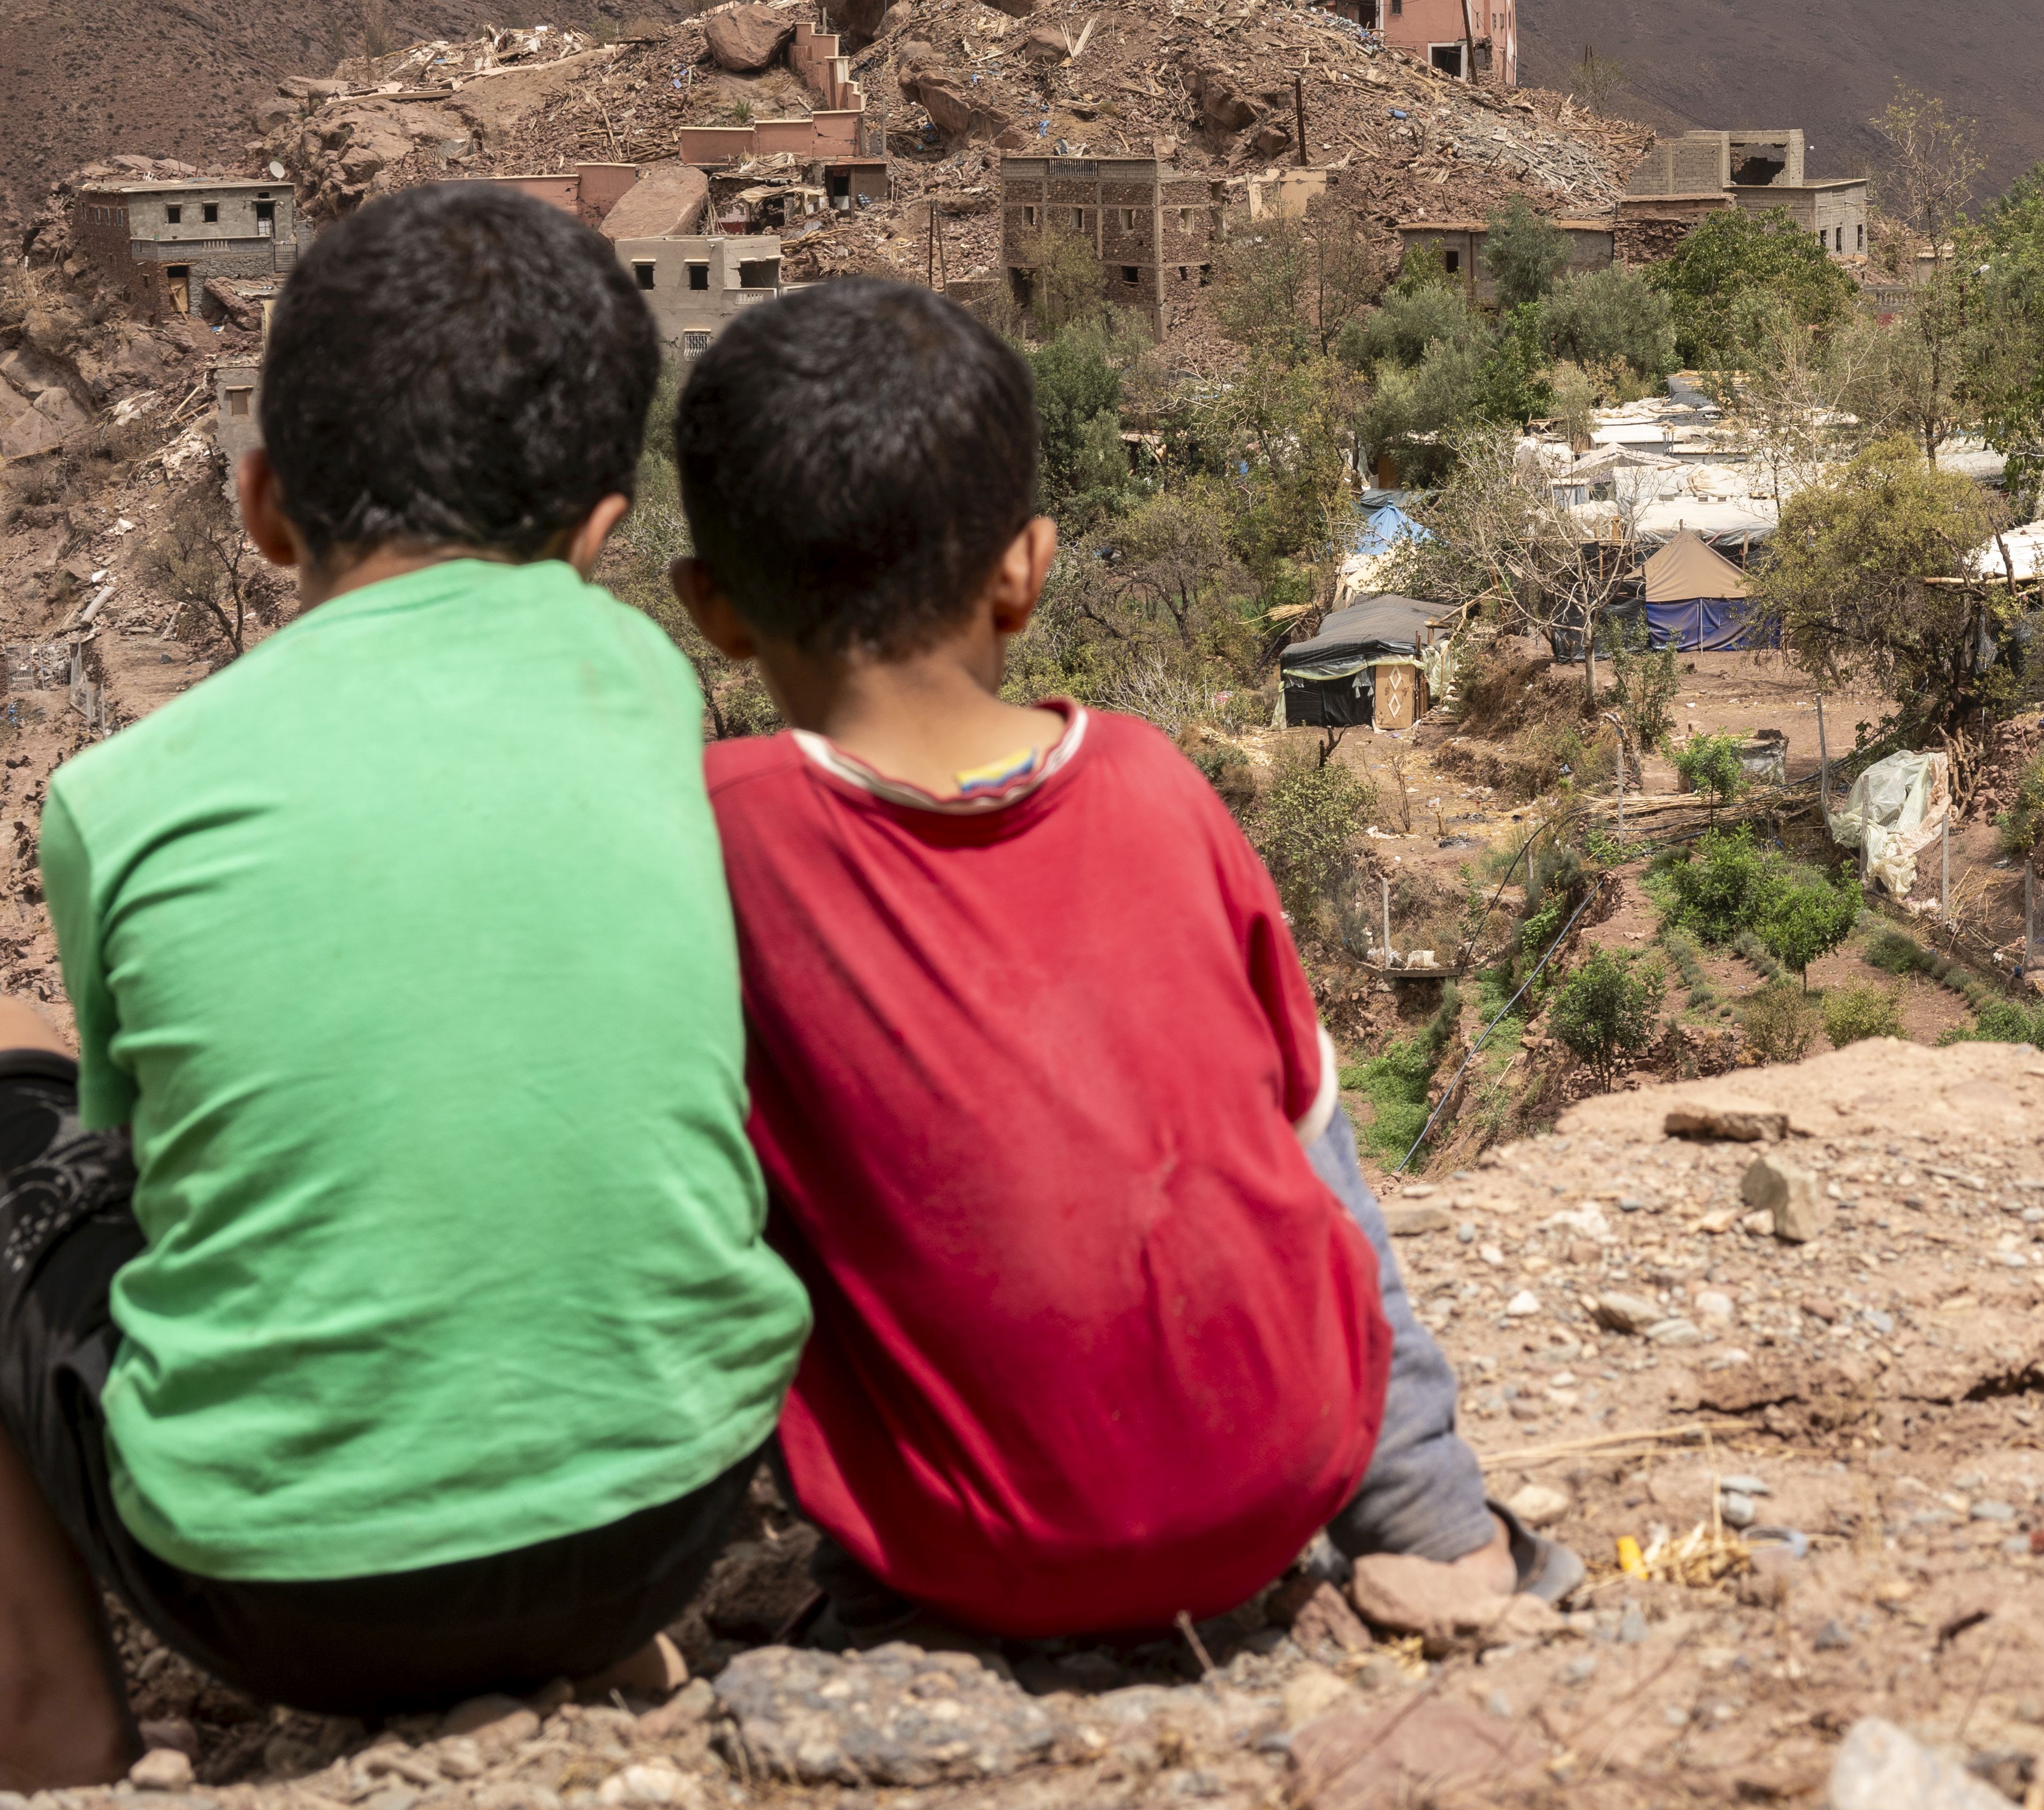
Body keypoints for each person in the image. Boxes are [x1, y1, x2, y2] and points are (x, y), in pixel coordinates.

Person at [0, 183, 811, 1810]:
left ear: (263, 505)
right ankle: (580, 1602)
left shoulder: (128, 791)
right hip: (661, 1533)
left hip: (285, 1608)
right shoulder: (653, 688)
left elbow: (141, 1160)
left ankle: (46, 1707)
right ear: (609, 531)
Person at [667, 279, 1572, 1644]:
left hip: (968, 1558)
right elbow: (1327, 1176)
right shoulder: (1156, 782)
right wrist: (1432, 1520)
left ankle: (860, 1597)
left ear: (710, 607)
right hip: (1282, 1486)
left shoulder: (717, 830)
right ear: (1025, 568)